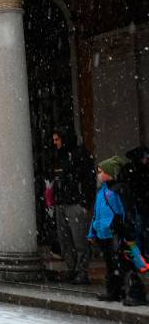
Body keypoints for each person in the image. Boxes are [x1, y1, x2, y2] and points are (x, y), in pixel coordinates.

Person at [89, 156, 147, 307]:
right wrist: (92, 232)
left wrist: (127, 230)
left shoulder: (120, 189)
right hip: (106, 233)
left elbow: (127, 211)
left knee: (126, 263)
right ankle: (115, 290)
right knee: (112, 263)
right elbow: (96, 214)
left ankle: (135, 292)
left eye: (101, 171)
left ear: (110, 172)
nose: (99, 175)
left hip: (118, 232)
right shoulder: (102, 191)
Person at [49, 129, 96, 284]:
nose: (55, 143)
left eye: (57, 139)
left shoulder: (80, 155)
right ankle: (72, 268)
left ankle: (82, 271)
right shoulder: (60, 156)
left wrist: (85, 202)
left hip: (75, 203)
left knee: (79, 239)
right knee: (65, 240)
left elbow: (89, 180)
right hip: (62, 202)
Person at [124, 146, 149, 256]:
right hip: (136, 206)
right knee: (138, 231)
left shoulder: (133, 170)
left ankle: (140, 255)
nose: (146, 159)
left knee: (141, 231)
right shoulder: (132, 170)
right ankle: (140, 255)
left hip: (139, 206)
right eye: (145, 157)